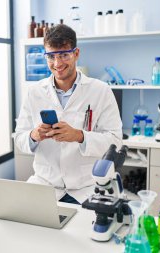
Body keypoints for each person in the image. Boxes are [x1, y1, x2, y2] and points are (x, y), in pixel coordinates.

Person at [14, 24, 122, 204]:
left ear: (76, 53)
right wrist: (34, 136)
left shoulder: (100, 91)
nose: (57, 64)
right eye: (51, 56)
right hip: (45, 185)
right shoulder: (34, 92)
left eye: (64, 55)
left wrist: (79, 136)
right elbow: (19, 138)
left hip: (86, 188)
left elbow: (115, 142)